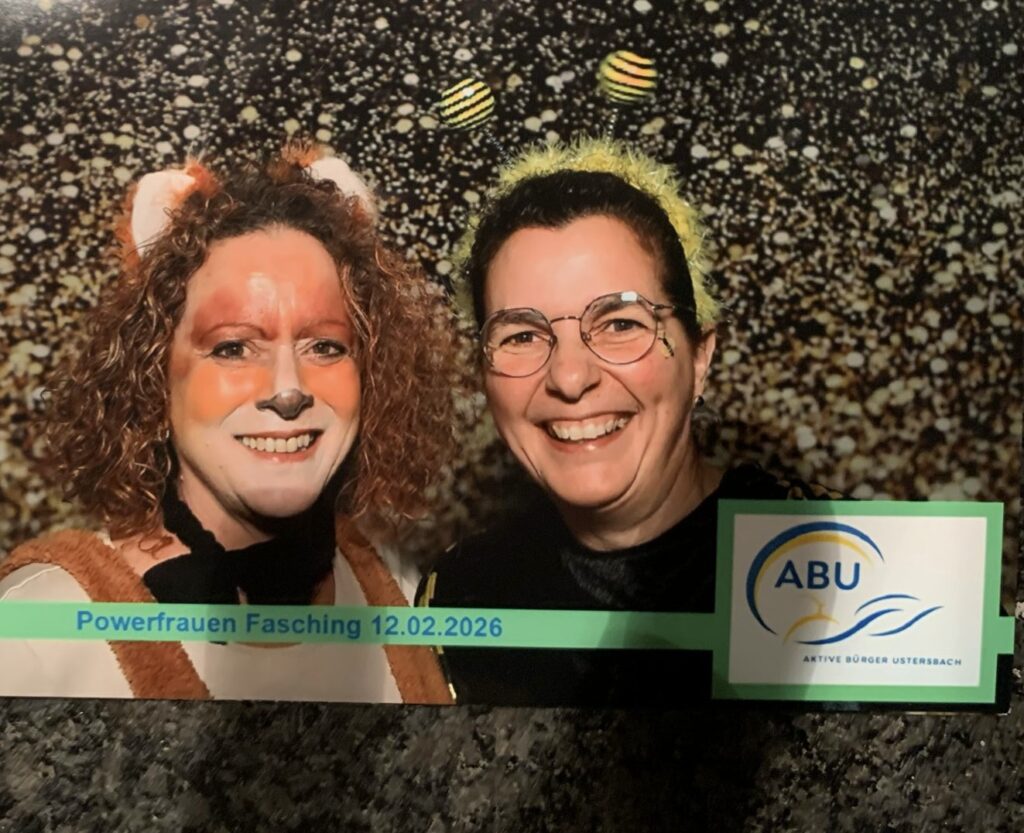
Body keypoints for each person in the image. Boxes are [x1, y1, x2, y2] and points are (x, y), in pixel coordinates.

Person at [0, 145, 456, 704]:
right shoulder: (36, 637)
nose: (287, 389)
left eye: (325, 346)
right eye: (233, 347)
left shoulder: (395, 594)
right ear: (153, 374)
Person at [417, 138, 837, 706]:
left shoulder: (842, 561)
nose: (570, 377)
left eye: (620, 324)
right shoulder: (462, 597)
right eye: (522, 335)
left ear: (700, 357)